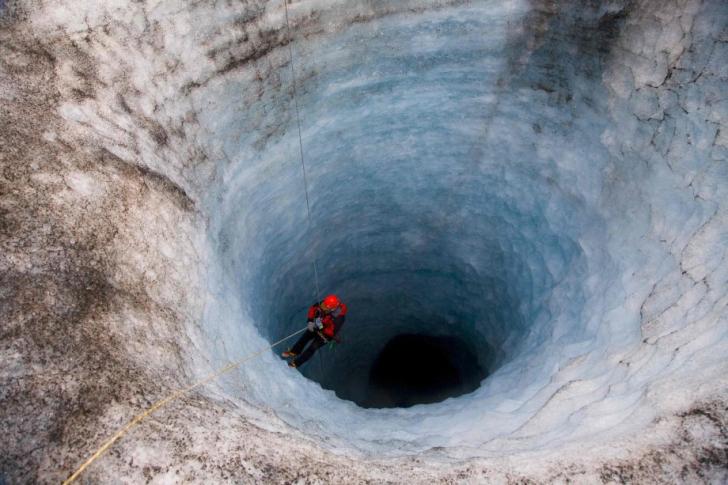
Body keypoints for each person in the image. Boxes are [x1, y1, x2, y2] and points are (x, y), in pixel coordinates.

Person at [282, 294, 347, 368]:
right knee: (305, 337)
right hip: (318, 325)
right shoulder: (325, 303)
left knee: (312, 348)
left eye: (325, 307)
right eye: (323, 305)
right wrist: (310, 320)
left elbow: (332, 332)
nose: (323, 307)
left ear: (332, 309)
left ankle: (296, 363)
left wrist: (320, 327)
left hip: (326, 335)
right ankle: (294, 352)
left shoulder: (339, 318)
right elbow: (313, 309)